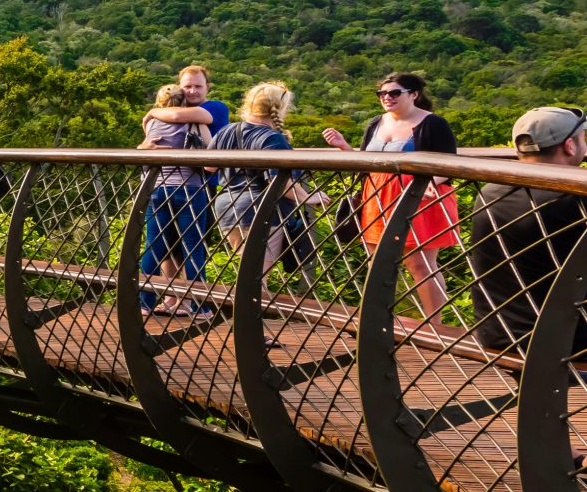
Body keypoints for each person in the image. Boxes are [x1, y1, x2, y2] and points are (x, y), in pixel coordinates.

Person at [322, 70, 458, 321]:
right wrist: (344, 147)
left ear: (414, 94)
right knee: (377, 263)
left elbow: (449, 163)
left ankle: (435, 327)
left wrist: (432, 182)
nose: (387, 97)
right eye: (382, 93)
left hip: (419, 197)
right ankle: (378, 322)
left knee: (421, 265)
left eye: (394, 92)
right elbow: (366, 162)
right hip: (376, 195)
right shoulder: (376, 122)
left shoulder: (432, 123)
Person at [471, 107, 587, 360]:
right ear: (569, 146)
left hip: (499, 333)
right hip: (569, 342)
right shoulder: (574, 199)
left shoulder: (489, 191)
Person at [209, 81, 325, 272]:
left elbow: (209, 166)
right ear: (281, 108)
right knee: (257, 277)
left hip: (228, 207)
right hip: (262, 211)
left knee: (247, 271)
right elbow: (277, 180)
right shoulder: (272, 138)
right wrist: (307, 197)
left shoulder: (228, 130)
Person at [138, 83, 215, 317]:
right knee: (193, 248)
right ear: (184, 102)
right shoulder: (196, 122)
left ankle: (144, 302)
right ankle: (198, 305)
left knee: (154, 247)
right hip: (189, 189)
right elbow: (209, 157)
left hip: (157, 188)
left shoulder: (151, 122)